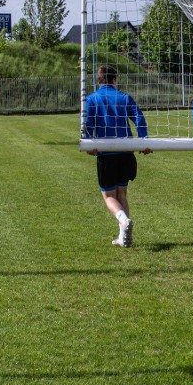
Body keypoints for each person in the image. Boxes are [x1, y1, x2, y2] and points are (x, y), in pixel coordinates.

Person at [84, 64, 152, 248]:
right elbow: (139, 118)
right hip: (126, 153)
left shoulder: (91, 99)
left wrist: (88, 142)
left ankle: (123, 220)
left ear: (98, 81)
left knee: (108, 196)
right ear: (115, 79)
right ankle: (123, 237)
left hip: (107, 154)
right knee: (122, 193)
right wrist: (143, 140)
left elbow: (87, 125)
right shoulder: (124, 97)